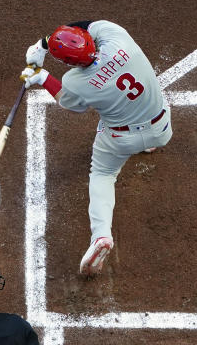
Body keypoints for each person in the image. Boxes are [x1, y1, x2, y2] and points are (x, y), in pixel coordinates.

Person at [21, 21, 173, 276]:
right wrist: (45, 42)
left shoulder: (75, 81)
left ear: (69, 64)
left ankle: (101, 236)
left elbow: (72, 106)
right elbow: (87, 24)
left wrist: (42, 77)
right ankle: (149, 145)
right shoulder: (118, 38)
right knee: (151, 91)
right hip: (162, 128)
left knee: (102, 174)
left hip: (121, 140)